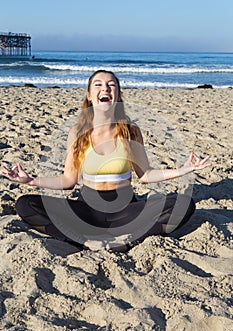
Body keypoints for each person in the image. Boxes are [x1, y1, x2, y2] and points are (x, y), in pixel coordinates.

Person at [1, 70, 211, 252]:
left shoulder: (130, 131)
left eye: (112, 85)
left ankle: (126, 243)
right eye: (99, 84)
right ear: (90, 95)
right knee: (25, 204)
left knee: (184, 204)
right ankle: (85, 242)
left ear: (117, 95)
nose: (106, 88)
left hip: (125, 212)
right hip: (87, 211)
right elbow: (68, 180)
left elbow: (146, 175)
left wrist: (183, 169)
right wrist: (30, 181)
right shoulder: (78, 133)